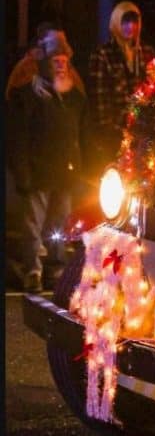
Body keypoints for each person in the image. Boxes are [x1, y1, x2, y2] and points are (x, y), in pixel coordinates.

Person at [8, 31, 86, 292]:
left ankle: (56, 270)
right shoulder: (29, 95)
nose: (61, 65)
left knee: (60, 227)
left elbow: (76, 134)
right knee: (33, 226)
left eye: (64, 60)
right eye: (56, 61)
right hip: (38, 173)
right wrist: (23, 174)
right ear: (45, 62)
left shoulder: (71, 97)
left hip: (63, 174)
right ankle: (33, 271)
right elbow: (18, 137)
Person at [87, 1, 155, 173]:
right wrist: (110, 133)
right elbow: (99, 99)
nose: (130, 26)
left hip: (143, 133)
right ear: (116, 22)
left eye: (134, 21)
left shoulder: (146, 52)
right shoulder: (103, 54)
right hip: (114, 133)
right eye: (125, 21)